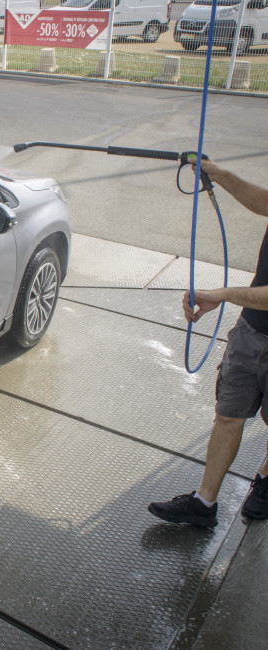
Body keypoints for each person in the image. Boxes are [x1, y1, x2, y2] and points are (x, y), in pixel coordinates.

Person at [148, 158, 268, 527]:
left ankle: (265, 480)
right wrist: (218, 173)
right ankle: (204, 504)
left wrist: (224, 294)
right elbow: (265, 201)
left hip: (255, 314)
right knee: (228, 415)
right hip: (251, 330)